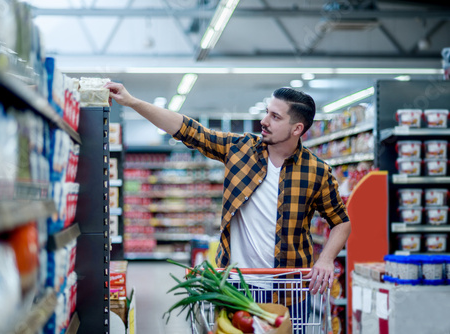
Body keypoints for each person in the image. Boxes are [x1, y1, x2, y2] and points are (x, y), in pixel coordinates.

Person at [104, 82, 351, 297]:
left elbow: (341, 222)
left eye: (275, 117)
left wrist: (327, 259)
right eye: (267, 113)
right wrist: (132, 101)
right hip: (234, 287)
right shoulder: (240, 149)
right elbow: (188, 130)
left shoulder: (317, 171)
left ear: (297, 129)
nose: (263, 121)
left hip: (288, 288)